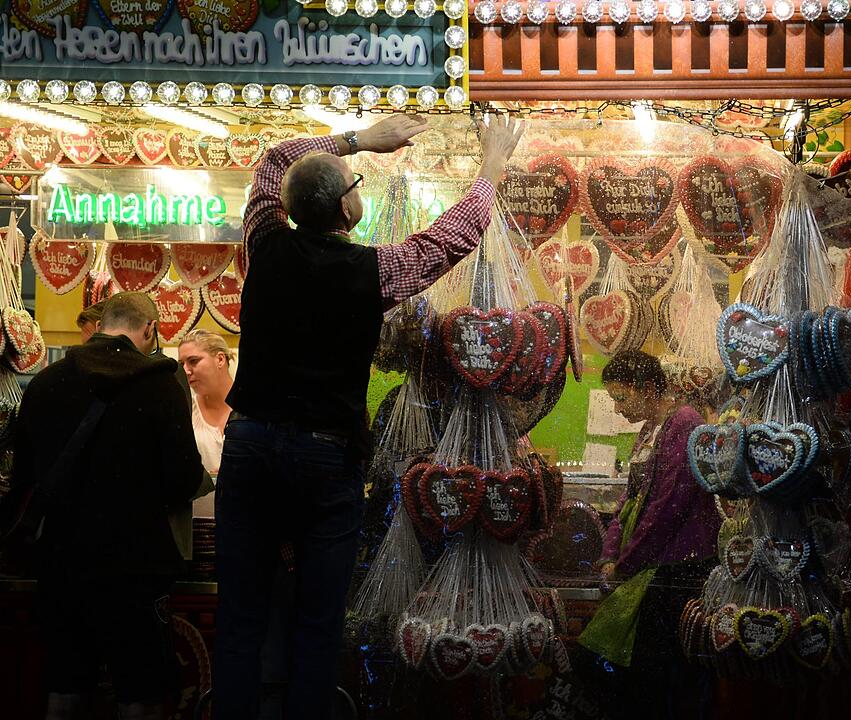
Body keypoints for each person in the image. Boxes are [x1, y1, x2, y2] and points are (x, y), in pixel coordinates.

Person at [213, 113, 525, 719]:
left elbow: (275, 158)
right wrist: (491, 167)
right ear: (348, 211)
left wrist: (359, 139)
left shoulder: (264, 245)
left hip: (249, 445)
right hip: (325, 456)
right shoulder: (371, 272)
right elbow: (445, 242)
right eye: (355, 183)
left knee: (241, 613)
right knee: (318, 616)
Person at [14, 292, 204, 720]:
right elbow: (183, 479)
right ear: (149, 330)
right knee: (140, 690)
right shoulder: (160, 383)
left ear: (100, 325)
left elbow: (24, 477)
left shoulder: (46, 383)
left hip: (60, 561)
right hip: (135, 566)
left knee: (65, 685)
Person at [577, 350, 720, 717]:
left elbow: (668, 506)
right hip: (649, 563)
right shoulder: (650, 429)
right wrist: (611, 551)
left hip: (677, 569)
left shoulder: (685, 423)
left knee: (657, 673)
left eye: (622, 398)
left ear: (646, 389)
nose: (619, 409)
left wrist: (625, 564)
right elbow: (631, 497)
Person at [178, 329, 235, 477]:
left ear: (220, 360)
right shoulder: (185, 410)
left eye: (193, 361)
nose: (186, 371)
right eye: (181, 364)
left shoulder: (251, 408)